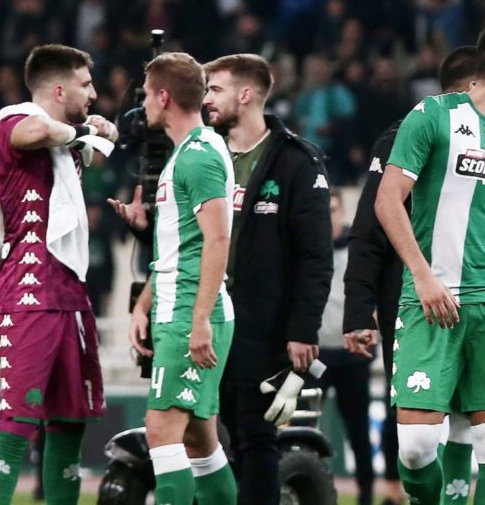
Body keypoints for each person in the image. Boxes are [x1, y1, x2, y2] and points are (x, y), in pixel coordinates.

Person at [112, 52, 335, 505]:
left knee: (249, 435)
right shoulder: (205, 150)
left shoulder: (290, 160)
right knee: (202, 436)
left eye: (216, 89)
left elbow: (314, 256)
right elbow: (190, 241)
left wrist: (302, 330)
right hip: (207, 308)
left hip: (250, 321)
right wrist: (147, 266)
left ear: (246, 94)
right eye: (205, 88)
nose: (208, 98)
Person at [342, 44, 485, 505]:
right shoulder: (419, 125)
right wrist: (365, 306)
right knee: (417, 445)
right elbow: (371, 226)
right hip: (423, 299)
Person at [0, 43, 115, 505]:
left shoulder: (67, 143)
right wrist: (86, 130)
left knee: (70, 422)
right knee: (18, 422)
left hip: (71, 294)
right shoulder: (12, 123)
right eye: (85, 84)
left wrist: (97, 131)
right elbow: (36, 130)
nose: (93, 94)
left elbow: (96, 136)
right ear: (58, 90)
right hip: (29, 293)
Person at [126, 51, 237, 505]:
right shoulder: (190, 152)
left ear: (164, 96)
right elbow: (182, 245)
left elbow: (217, 239)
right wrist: (144, 303)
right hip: (178, 306)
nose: (143, 105)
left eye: (146, 95)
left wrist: (200, 320)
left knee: (161, 431)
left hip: (189, 311)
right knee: (199, 441)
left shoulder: (198, 157)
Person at [309, 190, 378, 505]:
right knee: (306, 427)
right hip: (316, 355)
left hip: (353, 355)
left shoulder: (359, 247)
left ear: (342, 211)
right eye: (324, 210)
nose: (328, 216)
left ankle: (366, 495)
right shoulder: (307, 246)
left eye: (333, 209)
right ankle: (307, 487)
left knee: (358, 432)